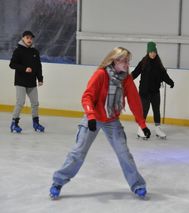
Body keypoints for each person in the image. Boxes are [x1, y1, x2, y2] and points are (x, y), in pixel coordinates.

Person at [49, 47, 151, 200]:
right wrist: (90, 116)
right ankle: (58, 182)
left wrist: (142, 124)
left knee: (124, 154)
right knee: (78, 152)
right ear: (115, 61)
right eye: (124, 61)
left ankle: (137, 185)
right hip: (93, 117)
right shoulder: (101, 75)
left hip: (111, 120)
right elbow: (87, 97)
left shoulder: (126, 79)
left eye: (128, 61)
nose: (127, 64)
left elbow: (134, 101)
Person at [131, 41, 174, 139]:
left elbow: (164, 75)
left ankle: (158, 129)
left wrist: (170, 82)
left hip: (155, 92)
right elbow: (135, 73)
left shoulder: (158, 63)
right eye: (151, 52)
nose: (153, 54)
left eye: (154, 52)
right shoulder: (143, 62)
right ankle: (140, 128)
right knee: (144, 111)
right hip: (144, 92)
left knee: (156, 110)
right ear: (148, 52)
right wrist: (127, 80)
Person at [9, 30, 45, 133]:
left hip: (31, 82)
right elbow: (12, 64)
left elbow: (38, 66)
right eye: (27, 38)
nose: (29, 40)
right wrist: (24, 68)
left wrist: (40, 78)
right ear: (23, 38)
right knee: (20, 102)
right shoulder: (18, 51)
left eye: (31, 38)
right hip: (20, 81)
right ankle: (14, 123)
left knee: (35, 103)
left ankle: (36, 123)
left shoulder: (35, 52)